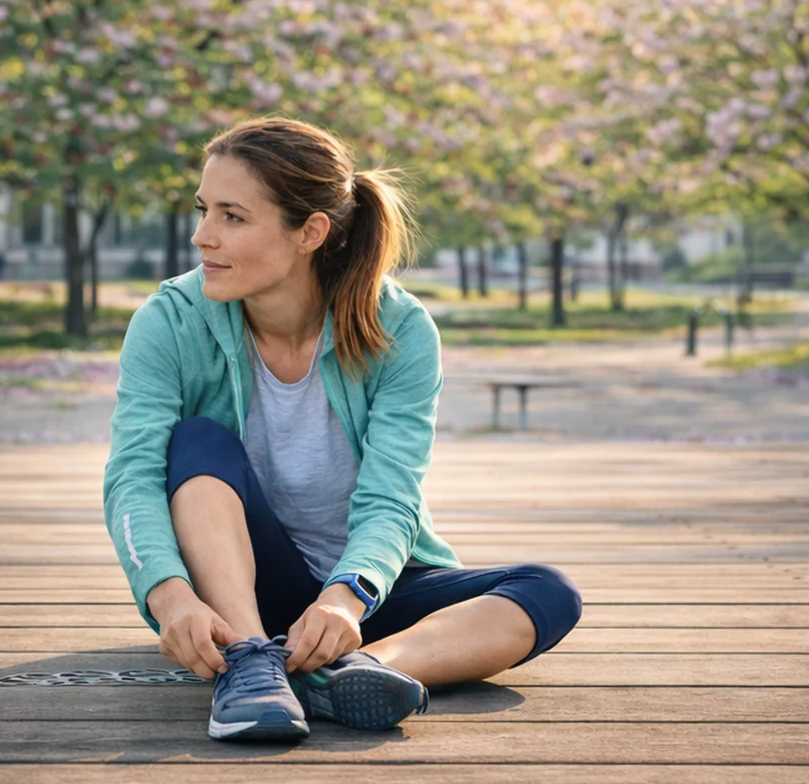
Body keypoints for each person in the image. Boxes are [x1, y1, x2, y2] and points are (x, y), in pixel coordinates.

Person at [101, 118, 582, 742]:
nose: (201, 236)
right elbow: (132, 478)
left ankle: (356, 673)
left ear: (310, 232)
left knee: (548, 592)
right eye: (203, 210)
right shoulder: (170, 321)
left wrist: (346, 600)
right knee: (197, 440)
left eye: (232, 216)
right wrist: (171, 600)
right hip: (241, 595)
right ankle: (251, 660)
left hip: (364, 600)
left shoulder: (400, 330)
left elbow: (393, 499)